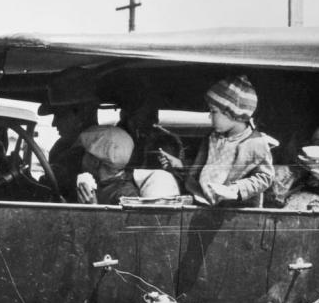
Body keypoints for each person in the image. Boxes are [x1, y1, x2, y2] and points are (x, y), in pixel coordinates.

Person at [159, 75, 273, 206]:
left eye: (213, 111)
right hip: (203, 201)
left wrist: (236, 189)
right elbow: (207, 166)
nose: (209, 116)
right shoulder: (212, 138)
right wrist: (180, 164)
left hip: (233, 212)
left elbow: (265, 177)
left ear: (233, 113)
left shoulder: (255, 143)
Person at [39, 72, 98, 201]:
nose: (54, 123)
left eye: (60, 115)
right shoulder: (61, 147)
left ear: (81, 115)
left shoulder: (102, 151)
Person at [75, 125, 139, 205]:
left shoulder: (126, 195)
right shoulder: (101, 185)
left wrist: (93, 208)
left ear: (95, 161)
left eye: (86, 154)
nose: (82, 159)